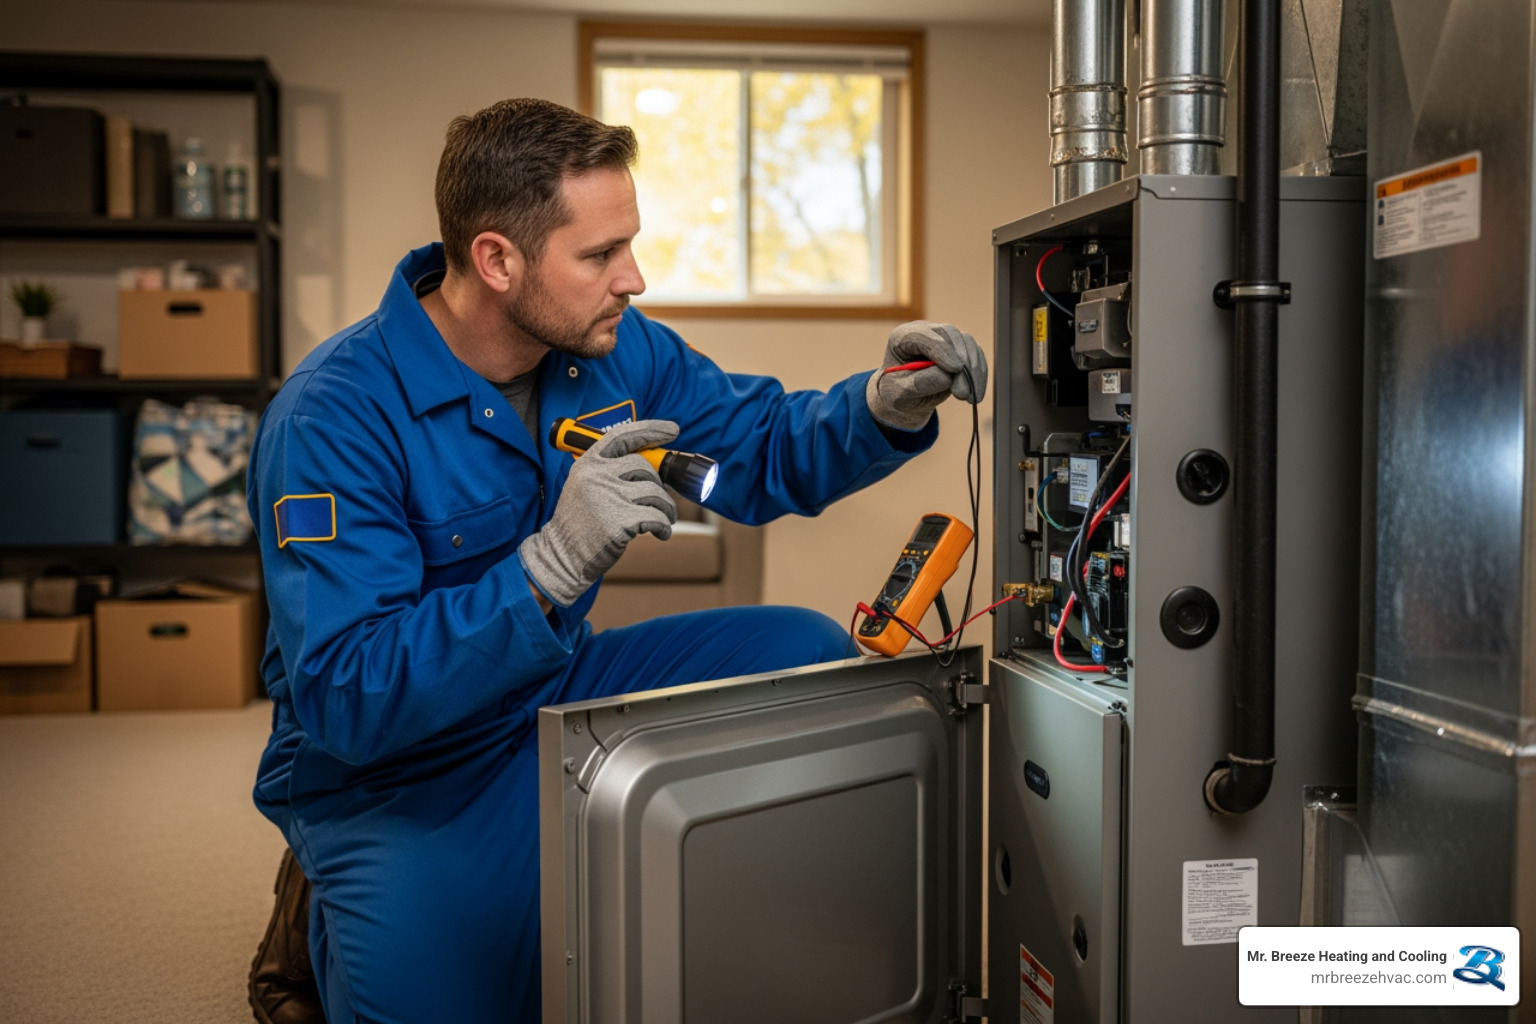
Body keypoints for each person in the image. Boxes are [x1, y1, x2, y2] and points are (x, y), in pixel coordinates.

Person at [247, 97, 987, 1024]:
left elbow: (749, 450)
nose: (633, 278)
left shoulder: (611, 346)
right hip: (395, 767)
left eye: (628, 243)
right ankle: (323, 901)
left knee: (807, 656)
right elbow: (345, 695)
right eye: (600, 255)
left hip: (554, 691)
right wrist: (545, 569)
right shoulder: (332, 414)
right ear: (496, 259)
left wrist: (882, 407)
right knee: (457, 996)